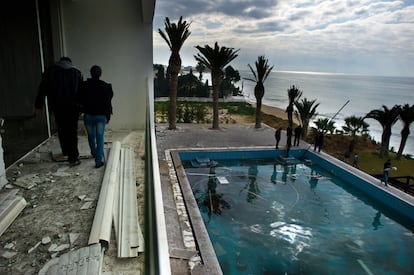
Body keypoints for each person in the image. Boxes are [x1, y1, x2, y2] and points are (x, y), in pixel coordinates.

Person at [35, 57, 83, 166]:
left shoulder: (50, 72)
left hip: (57, 107)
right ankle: (73, 157)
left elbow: (42, 89)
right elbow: (81, 92)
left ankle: (65, 151)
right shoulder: (76, 72)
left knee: (61, 129)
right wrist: (82, 108)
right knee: (72, 131)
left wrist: (38, 105)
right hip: (72, 108)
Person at [78, 65, 113, 168]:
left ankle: (93, 152)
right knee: (100, 137)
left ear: (91, 73)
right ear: (100, 74)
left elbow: (79, 99)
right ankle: (98, 160)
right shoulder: (105, 86)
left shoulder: (84, 86)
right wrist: (108, 116)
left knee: (91, 136)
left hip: (88, 116)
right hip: (101, 117)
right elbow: (108, 102)